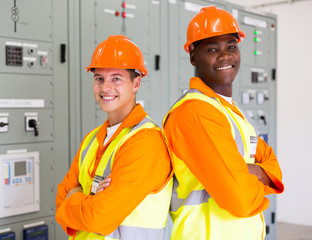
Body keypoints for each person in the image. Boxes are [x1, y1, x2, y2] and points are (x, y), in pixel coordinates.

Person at [162, 5, 284, 240]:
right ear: (193, 56)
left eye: (231, 46)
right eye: (212, 49)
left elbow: (274, 167)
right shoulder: (194, 112)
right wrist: (256, 175)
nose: (225, 56)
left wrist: (249, 171)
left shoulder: (233, 112)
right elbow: (238, 198)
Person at [55, 35, 172, 240]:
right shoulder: (92, 138)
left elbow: (99, 218)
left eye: (116, 78)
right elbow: (59, 200)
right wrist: (90, 201)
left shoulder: (146, 141)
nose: (105, 88)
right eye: (99, 78)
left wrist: (76, 196)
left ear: (136, 83)